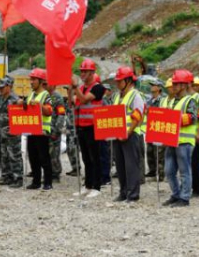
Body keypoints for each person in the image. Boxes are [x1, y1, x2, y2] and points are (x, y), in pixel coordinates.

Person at [163, 69, 199, 207]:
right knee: (169, 171)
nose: (173, 86)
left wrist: (174, 119)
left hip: (184, 142)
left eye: (176, 84)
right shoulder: (172, 101)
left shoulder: (190, 100)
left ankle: (184, 198)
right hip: (171, 141)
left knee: (184, 171)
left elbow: (192, 117)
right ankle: (176, 194)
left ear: (184, 85)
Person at [110, 66, 146, 202]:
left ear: (129, 81)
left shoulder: (136, 95)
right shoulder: (117, 96)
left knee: (131, 166)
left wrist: (128, 132)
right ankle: (123, 192)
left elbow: (137, 115)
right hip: (117, 135)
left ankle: (133, 194)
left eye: (120, 81)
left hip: (131, 135)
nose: (117, 83)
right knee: (120, 165)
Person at [70, 59, 105, 197]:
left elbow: (84, 100)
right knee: (86, 158)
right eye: (81, 71)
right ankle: (88, 185)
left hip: (93, 127)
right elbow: (72, 103)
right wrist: (70, 89)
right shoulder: (81, 88)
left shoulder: (98, 88)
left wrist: (75, 88)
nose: (82, 74)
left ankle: (97, 186)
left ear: (92, 72)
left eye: (85, 71)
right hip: (81, 127)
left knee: (95, 157)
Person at [23, 68, 55, 190]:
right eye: (30, 79)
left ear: (41, 81)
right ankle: (36, 182)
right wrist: (22, 103)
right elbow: (25, 110)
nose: (31, 82)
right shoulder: (31, 95)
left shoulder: (46, 95)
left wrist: (39, 105)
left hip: (42, 131)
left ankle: (48, 182)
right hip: (31, 130)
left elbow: (49, 111)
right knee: (33, 157)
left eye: (34, 79)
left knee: (44, 158)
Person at [0, 76, 23, 188]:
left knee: (14, 155)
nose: (0, 89)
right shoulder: (0, 98)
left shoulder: (15, 99)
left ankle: (18, 178)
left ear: (9, 87)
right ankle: (7, 176)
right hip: (2, 131)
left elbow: (21, 113)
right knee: (4, 155)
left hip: (13, 132)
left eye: (2, 87)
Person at [46, 83, 68, 183]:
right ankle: (48, 173)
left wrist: (57, 130)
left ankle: (55, 174)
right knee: (46, 154)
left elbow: (61, 114)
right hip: (45, 129)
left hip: (54, 129)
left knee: (54, 154)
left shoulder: (57, 97)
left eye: (47, 84)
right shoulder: (44, 95)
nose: (45, 85)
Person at [145, 79, 165, 180]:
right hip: (151, 127)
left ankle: (161, 173)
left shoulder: (163, 100)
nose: (152, 87)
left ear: (159, 89)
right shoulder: (149, 101)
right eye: (151, 86)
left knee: (159, 152)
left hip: (159, 128)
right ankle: (152, 170)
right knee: (150, 151)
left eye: (154, 85)